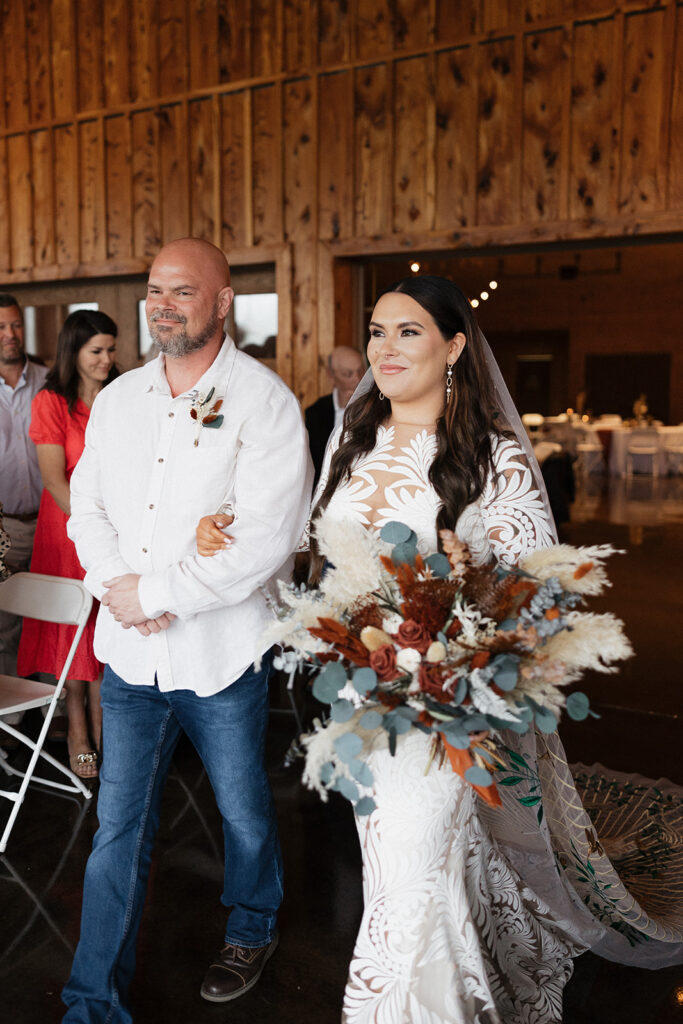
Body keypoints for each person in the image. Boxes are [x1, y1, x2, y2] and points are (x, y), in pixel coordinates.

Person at [198, 275, 682, 1023]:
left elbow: (536, 604)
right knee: (394, 868)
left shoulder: (495, 461)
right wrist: (224, 525)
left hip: (443, 709)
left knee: (407, 876)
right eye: (377, 331)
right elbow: (305, 541)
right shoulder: (351, 440)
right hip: (361, 701)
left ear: (454, 346)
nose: (383, 348)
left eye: (408, 332)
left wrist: (460, 608)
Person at [61, 238, 312, 1023]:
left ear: (223, 301)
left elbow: (266, 536)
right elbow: (87, 505)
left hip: (221, 656)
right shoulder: (119, 398)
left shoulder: (266, 402)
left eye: (181, 291)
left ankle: (251, 927)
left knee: (241, 808)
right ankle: (92, 1000)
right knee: (117, 828)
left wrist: (160, 590)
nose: (161, 304)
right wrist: (118, 590)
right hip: (131, 657)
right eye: (153, 290)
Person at [16, 310, 119, 778]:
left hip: (117, 528)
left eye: (110, 350)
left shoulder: (121, 396)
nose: (106, 359)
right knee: (72, 632)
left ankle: (109, 734)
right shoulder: (51, 401)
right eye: (96, 351)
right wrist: (92, 525)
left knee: (106, 630)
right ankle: (77, 730)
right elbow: (56, 480)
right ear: (73, 352)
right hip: (68, 531)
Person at [0, 294, 48, 676]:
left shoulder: (51, 382)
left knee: (54, 617)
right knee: (4, 626)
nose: (10, 334)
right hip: (3, 529)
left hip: (52, 523)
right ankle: (12, 729)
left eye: (15, 324)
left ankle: (58, 714)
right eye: (1, 327)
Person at [305, 345, 364, 484]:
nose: (357, 379)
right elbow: (315, 461)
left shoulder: (376, 406)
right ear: (331, 375)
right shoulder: (316, 413)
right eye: (348, 374)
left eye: (361, 371)